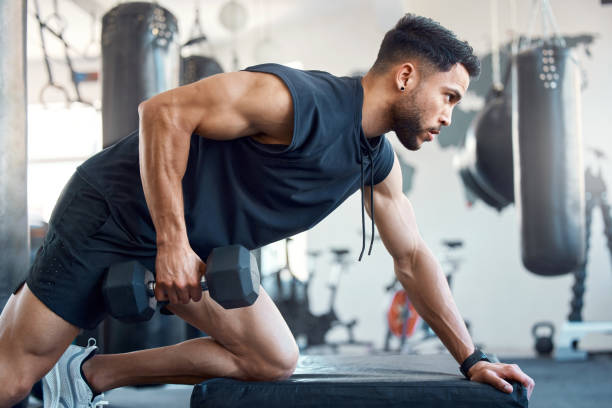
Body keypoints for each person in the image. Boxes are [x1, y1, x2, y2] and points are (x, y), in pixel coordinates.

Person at [0, 14, 535, 407]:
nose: (448, 115)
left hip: (195, 247)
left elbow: (413, 258)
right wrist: (171, 243)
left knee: (272, 360)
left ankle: (91, 373)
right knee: (10, 383)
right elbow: (162, 112)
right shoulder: (296, 99)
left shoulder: (375, 161)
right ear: (406, 76)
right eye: (449, 96)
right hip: (112, 210)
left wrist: (472, 358)